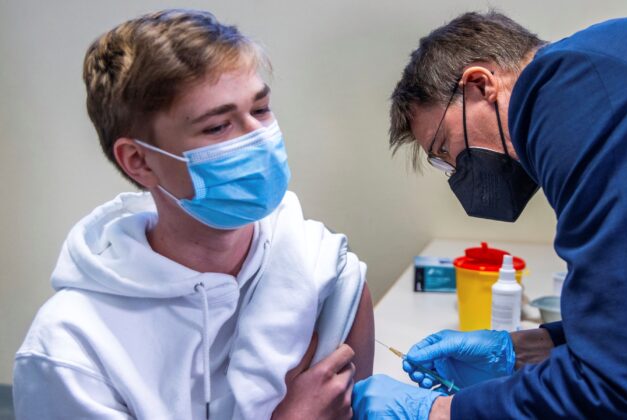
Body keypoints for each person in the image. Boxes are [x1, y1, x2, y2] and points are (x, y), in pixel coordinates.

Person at [12, 9, 374, 420]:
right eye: (218, 127)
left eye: (260, 109)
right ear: (139, 161)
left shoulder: (325, 273)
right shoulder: (73, 349)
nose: (258, 138)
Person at [352, 8, 627, 420]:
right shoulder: (598, 74)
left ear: (481, 85)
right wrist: (530, 348)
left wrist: (440, 411)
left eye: (445, 147)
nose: (456, 171)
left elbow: (611, 389)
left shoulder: (573, 94)